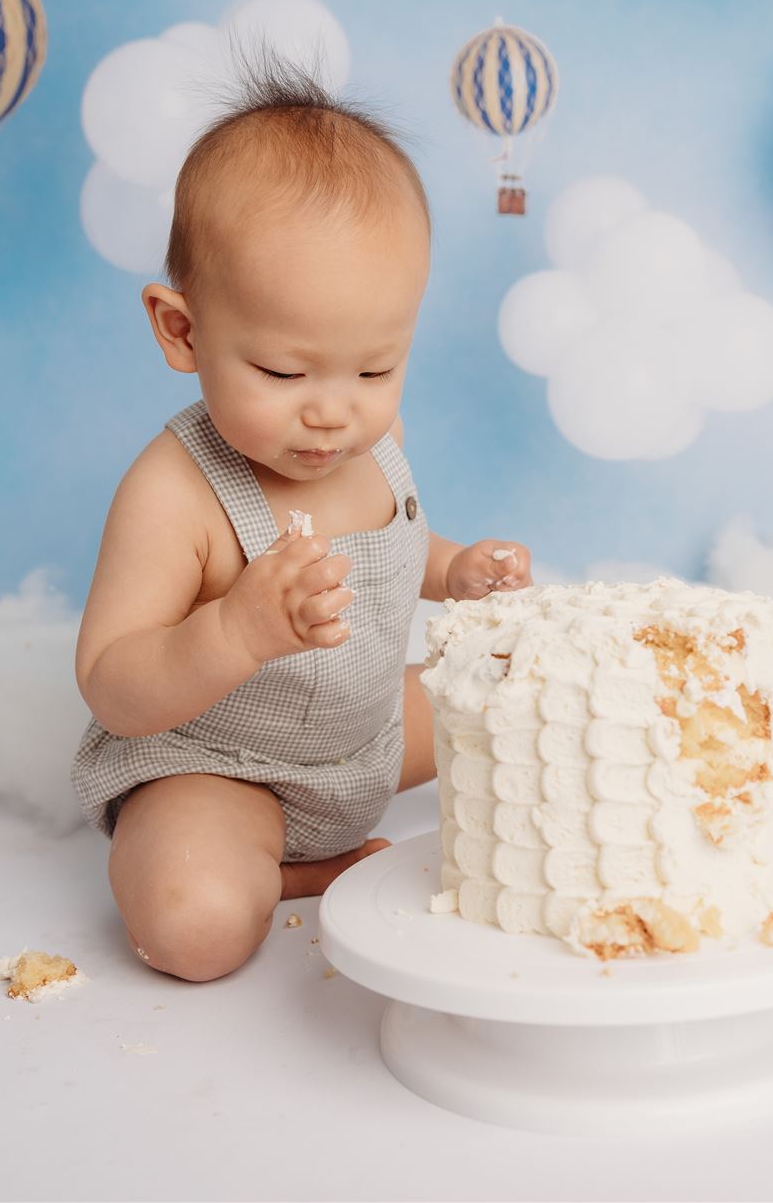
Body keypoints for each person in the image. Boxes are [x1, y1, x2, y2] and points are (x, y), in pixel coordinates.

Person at [72, 60, 533, 983]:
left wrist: (455, 573)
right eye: (284, 374)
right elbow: (112, 684)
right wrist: (237, 629)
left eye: (373, 368)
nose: (334, 413)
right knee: (191, 927)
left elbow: (392, 550)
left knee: (531, 692)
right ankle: (283, 870)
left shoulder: (374, 438)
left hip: (362, 738)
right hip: (221, 764)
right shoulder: (177, 491)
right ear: (183, 332)